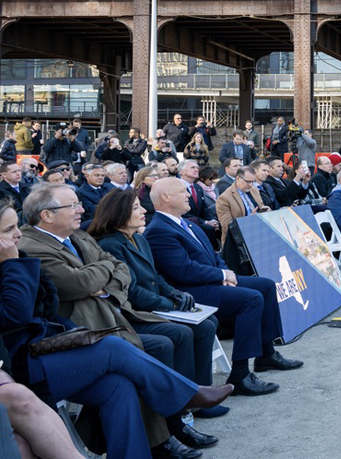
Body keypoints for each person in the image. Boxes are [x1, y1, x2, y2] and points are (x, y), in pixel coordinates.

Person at [0, 197, 233, 459]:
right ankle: (185, 396)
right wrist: (12, 265)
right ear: (47, 215)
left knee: (118, 384)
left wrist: (95, 282)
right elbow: (18, 314)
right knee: (114, 347)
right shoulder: (21, 254)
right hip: (19, 366)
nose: (18, 232)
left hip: (50, 345)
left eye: (16, 226)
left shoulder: (55, 243)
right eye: (9, 230)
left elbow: (107, 273)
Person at [145, 178, 303, 396]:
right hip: (189, 291)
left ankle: (266, 354)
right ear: (165, 197)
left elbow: (213, 256)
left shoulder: (187, 223)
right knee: (250, 299)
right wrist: (221, 275)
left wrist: (225, 274)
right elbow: (183, 271)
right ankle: (240, 375)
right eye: (183, 191)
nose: (189, 195)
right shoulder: (158, 230)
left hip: (208, 281)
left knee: (265, 286)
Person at [90, 190, 225, 419]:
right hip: (136, 313)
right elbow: (131, 291)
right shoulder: (110, 245)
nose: (144, 210)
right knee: (182, 332)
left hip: (153, 305)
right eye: (136, 208)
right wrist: (168, 304)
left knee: (207, 323)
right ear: (119, 213)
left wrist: (175, 294)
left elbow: (156, 277)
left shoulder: (139, 239)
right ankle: (185, 400)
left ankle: (200, 393)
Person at [215, 166, 268, 249]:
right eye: (247, 182)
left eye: (253, 181)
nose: (250, 185)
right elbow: (227, 226)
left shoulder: (254, 190)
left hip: (258, 234)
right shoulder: (224, 198)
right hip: (238, 243)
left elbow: (259, 208)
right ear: (238, 178)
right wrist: (248, 220)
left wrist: (265, 211)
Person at [177, 160, 221, 248]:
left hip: (199, 221)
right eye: (192, 167)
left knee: (221, 224)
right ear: (182, 172)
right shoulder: (177, 187)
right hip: (186, 222)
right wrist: (206, 222)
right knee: (209, 228)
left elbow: (205, 208)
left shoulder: (197, 188)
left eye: (197, 167)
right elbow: (183, 213)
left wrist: (212, 220)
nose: (196, 169)